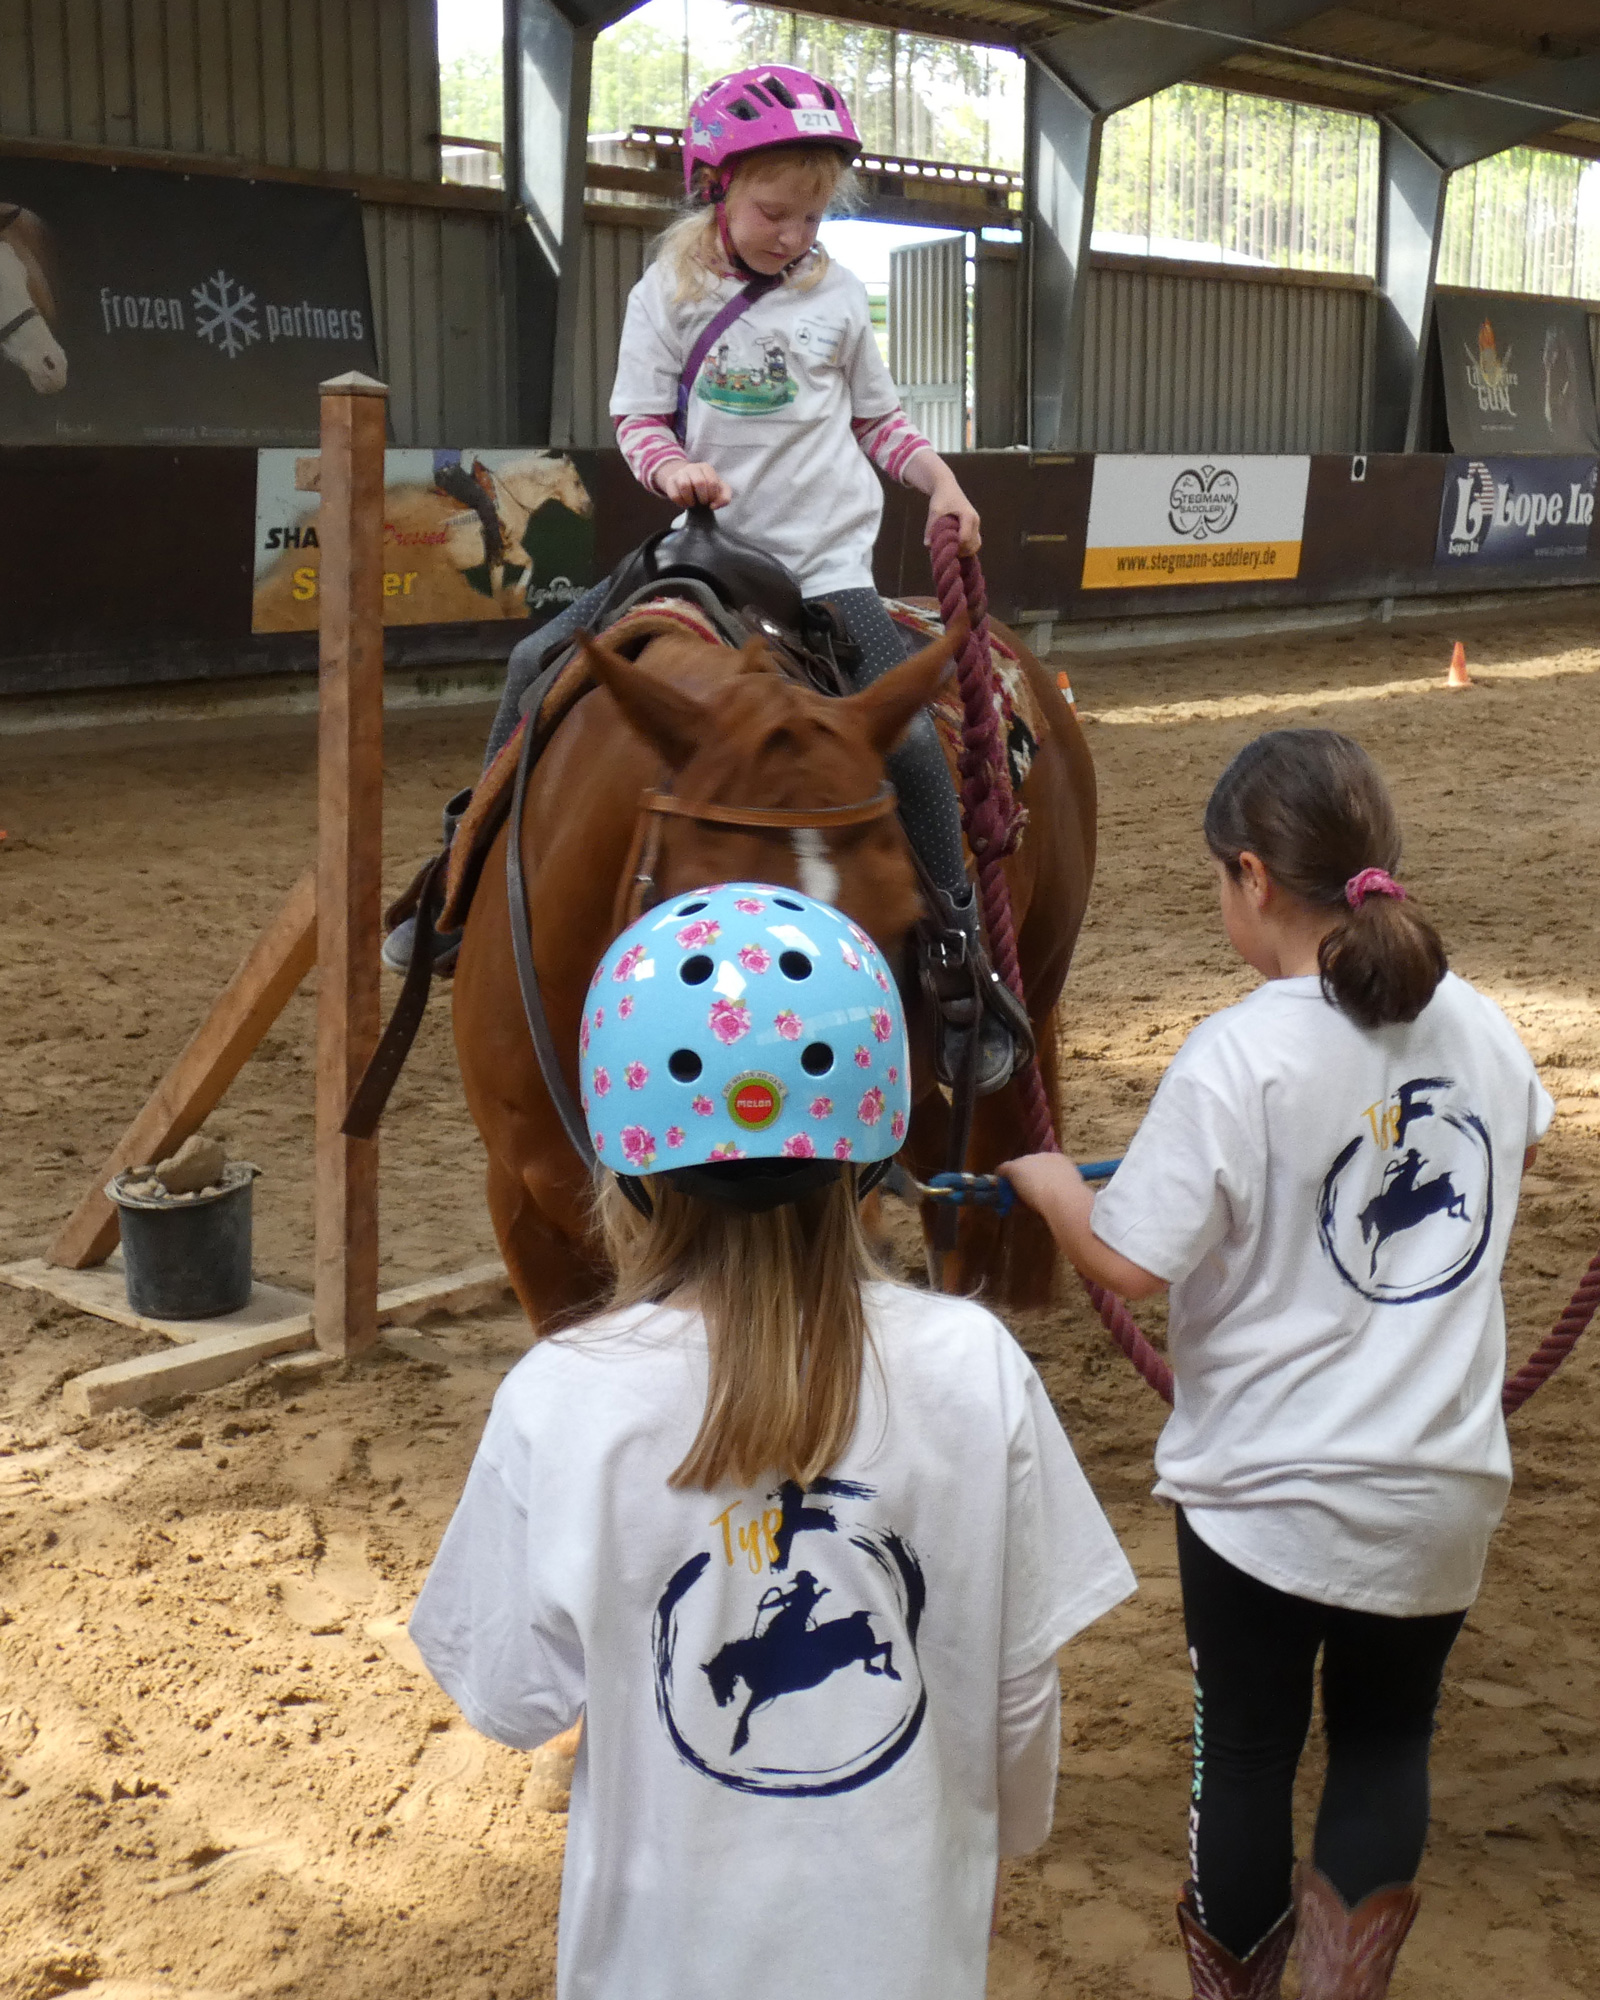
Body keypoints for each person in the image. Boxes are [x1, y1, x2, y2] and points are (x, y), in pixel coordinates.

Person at [409, 881, 1136, 2000]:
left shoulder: (558, 1396)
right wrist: (1003, 1827)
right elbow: (1019, 1691)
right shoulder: (974, 1364)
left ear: (632, 1163)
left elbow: (511, 1695)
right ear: (869, 1144)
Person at [1000, 730, 1552, 2000]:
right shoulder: (1477, 1024)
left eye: (1218, 878)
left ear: (1252, 874)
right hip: (1435, 1491)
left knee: (1243, 1750)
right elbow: (1515, 1147)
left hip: (1264, 1499)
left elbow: (1132, 1261)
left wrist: (1044, 1190)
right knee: (1382, 1745)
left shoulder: (1237, 1051)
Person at [384, 64, 1032, 1095]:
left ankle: (957, 959)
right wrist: (670, 469)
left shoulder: (837, 296)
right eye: (776, 211)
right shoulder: (668, 293)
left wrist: (938, 477)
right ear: (715, 189)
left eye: (814, 214)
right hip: (708, 551)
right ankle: (457, 875)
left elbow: (879, 421)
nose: (795, 233)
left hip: (824, 568)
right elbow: (637, 417)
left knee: (908, 740)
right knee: (535, 659)